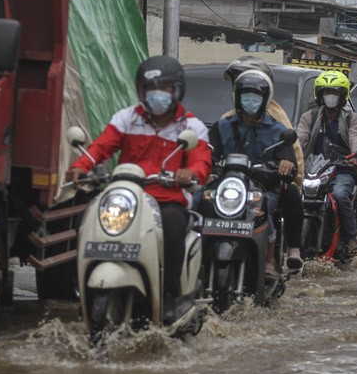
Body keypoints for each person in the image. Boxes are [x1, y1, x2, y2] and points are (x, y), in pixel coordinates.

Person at [65, 55, 211, 322]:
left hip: (167, 200)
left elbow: (202, 162)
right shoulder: (127, 118)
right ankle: (81, 288)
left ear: (176, 90)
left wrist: (189, 173)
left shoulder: (192, 127)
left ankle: (169, 296)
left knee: (172, 226)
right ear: (141, 91)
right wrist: (81, 166)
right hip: (127, 196)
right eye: (150, 89)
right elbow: (101, 147)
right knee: (87, 219)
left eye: (164, 88)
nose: (157, 95)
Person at [209, 69, 297, 279]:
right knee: (197, 203)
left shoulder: (277, 130)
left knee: (261, 207)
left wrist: (285, 165)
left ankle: (269, 260)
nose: (250, 101)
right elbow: (208, 152)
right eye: (246, 96)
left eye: (256, 96)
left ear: (265, 99)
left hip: (262, 189)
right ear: (237, 97)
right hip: (227, 188)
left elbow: (290, 163)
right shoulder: (222, 126)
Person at [297, 70, 357, 255]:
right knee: (293, 195)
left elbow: (355, 139)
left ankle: (350, 238)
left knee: (340, 194)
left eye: (334, 93)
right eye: (327, 93)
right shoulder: (309, 117)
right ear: (319, 95)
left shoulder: (352, 118)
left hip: (341, 169)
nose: (330, 97)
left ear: (342, 95)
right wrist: (291, 153)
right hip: (312, 169)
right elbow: (299, 138)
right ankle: (288, 241)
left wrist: (356, 155)